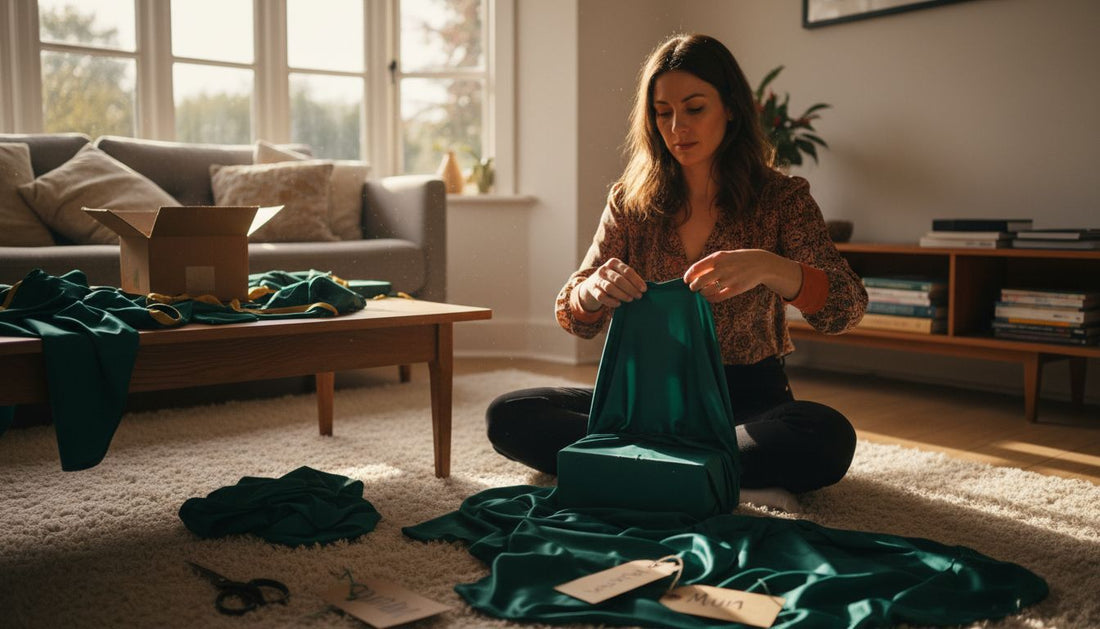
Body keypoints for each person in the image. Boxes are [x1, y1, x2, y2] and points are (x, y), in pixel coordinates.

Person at [486, 33, 867, 504]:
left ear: (731, 108)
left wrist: (771, 268)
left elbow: (846, 307)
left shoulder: (783, 199)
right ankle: (715, 476)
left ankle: (633, 464)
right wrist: (592, 291)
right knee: (511, 413)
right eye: (662, 112)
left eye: (694, 108)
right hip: (642, 400)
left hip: (744, 405)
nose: (676, 127)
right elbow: (574, 315)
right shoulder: (630, 201)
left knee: (826, 435)